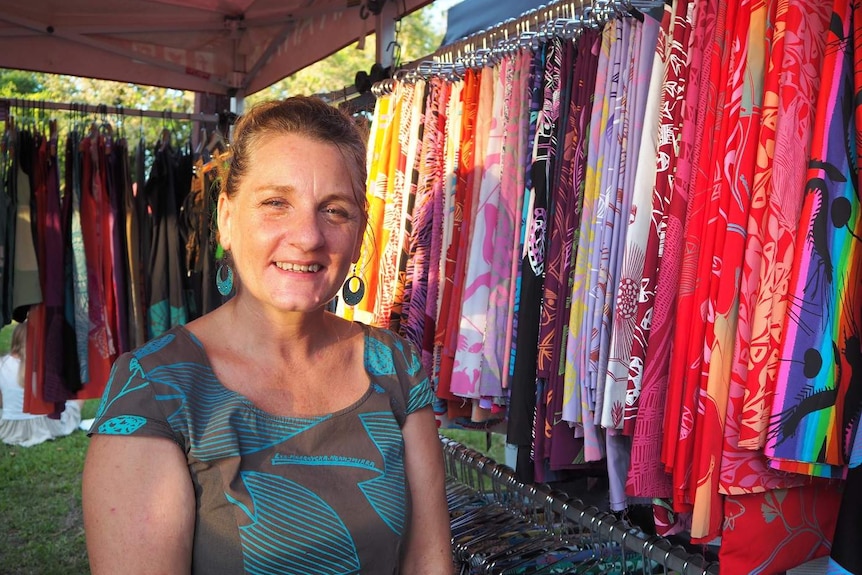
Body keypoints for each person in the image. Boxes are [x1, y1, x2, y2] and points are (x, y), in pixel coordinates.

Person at [82, 96, 453, 575]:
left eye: (334, 210)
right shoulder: (155, 390)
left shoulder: (395, 367)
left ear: (360, 232)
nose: (308, 236)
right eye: (276, 203)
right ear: (226, 218)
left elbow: (428, 561)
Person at [0, 321, 83, 447]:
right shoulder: (49, 364)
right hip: (49, 426)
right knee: (79, 392)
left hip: (10, 430)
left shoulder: (2, 364)